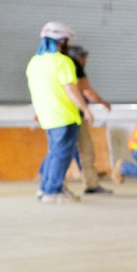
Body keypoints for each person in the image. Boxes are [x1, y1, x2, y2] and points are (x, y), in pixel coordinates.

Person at [25, 21, 89, 204]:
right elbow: (72, 90)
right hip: (64, 115)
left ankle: (46, 188)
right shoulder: (63, 61)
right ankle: (52, 191)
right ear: (61, 41)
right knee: (62, 155)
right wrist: (85, 109)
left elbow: (36, 91)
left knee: (54, 153)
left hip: (47, 116)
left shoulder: (34, 62)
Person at [64, 44, 114, 195]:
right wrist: (101, 103)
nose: (85, 60)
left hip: (62, 114)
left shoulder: (59, 65)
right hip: (72, 115)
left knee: (66, 150)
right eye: (83, 57)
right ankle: (60, 185)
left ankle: (88, 185)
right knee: (82, 151)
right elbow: (87, 91)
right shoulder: (74, 65)